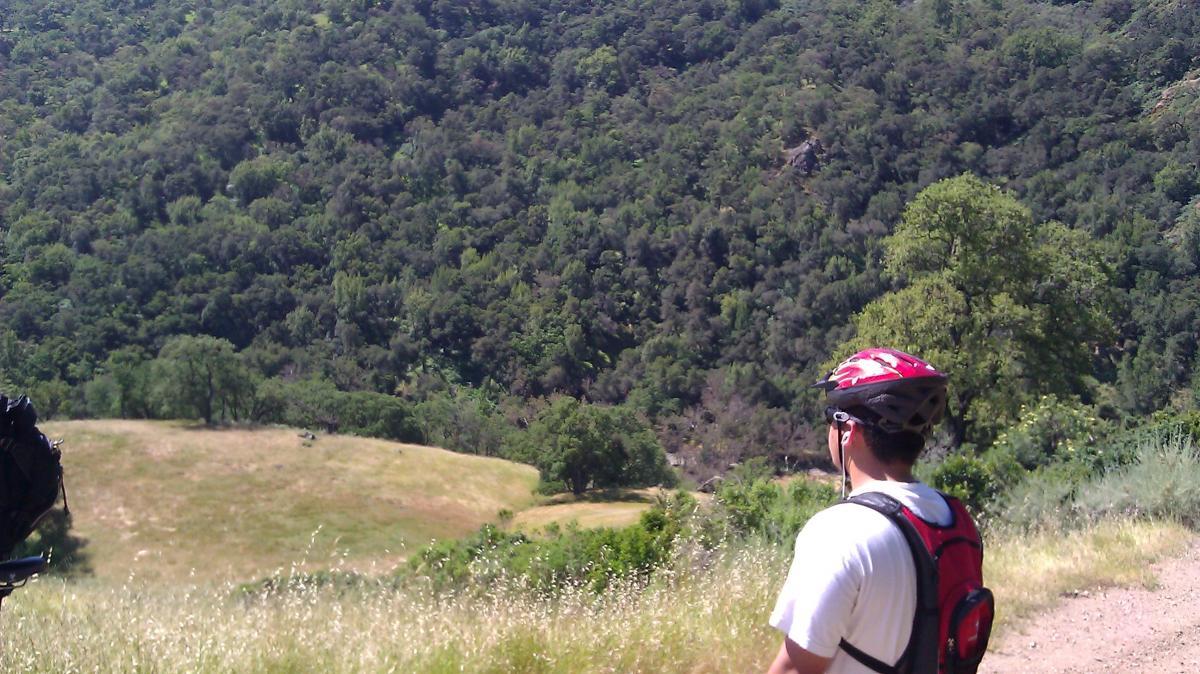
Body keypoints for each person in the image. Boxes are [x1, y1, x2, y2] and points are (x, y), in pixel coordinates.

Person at [766, 347, 965, 674]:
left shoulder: (841, 533)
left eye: (831, 417)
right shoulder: (953, 516)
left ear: (849, 431)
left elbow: (796, 668)